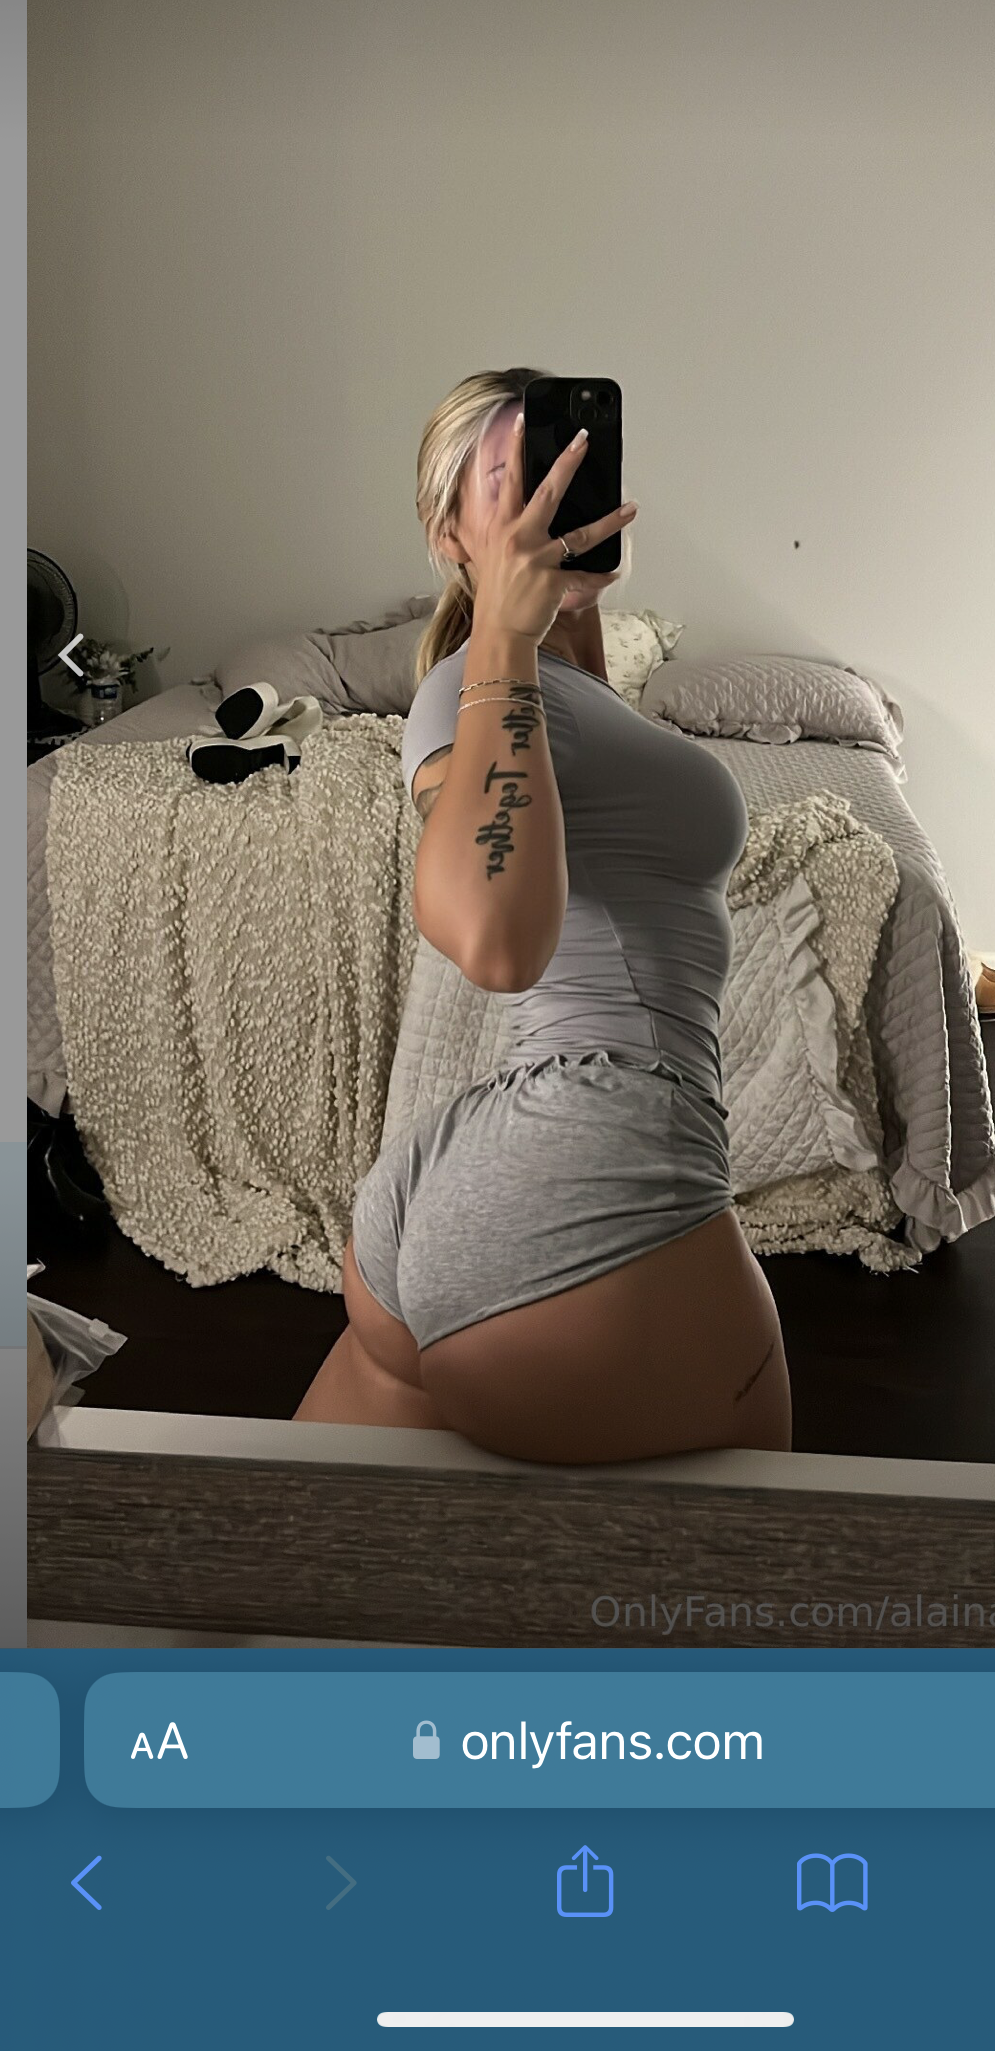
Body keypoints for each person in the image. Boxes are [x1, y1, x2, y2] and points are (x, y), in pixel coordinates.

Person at [294, 369, 791, 1461]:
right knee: (745, 1548)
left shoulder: (557, 689)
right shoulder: (468, 689)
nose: (553, 495)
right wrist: (507, 636)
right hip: (595, 1170)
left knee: (297, 1540)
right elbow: (494, 939)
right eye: (518, 480)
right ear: (448, 535)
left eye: (570, 466)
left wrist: (573, 606)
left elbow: (585, 776)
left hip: (479, 1185)